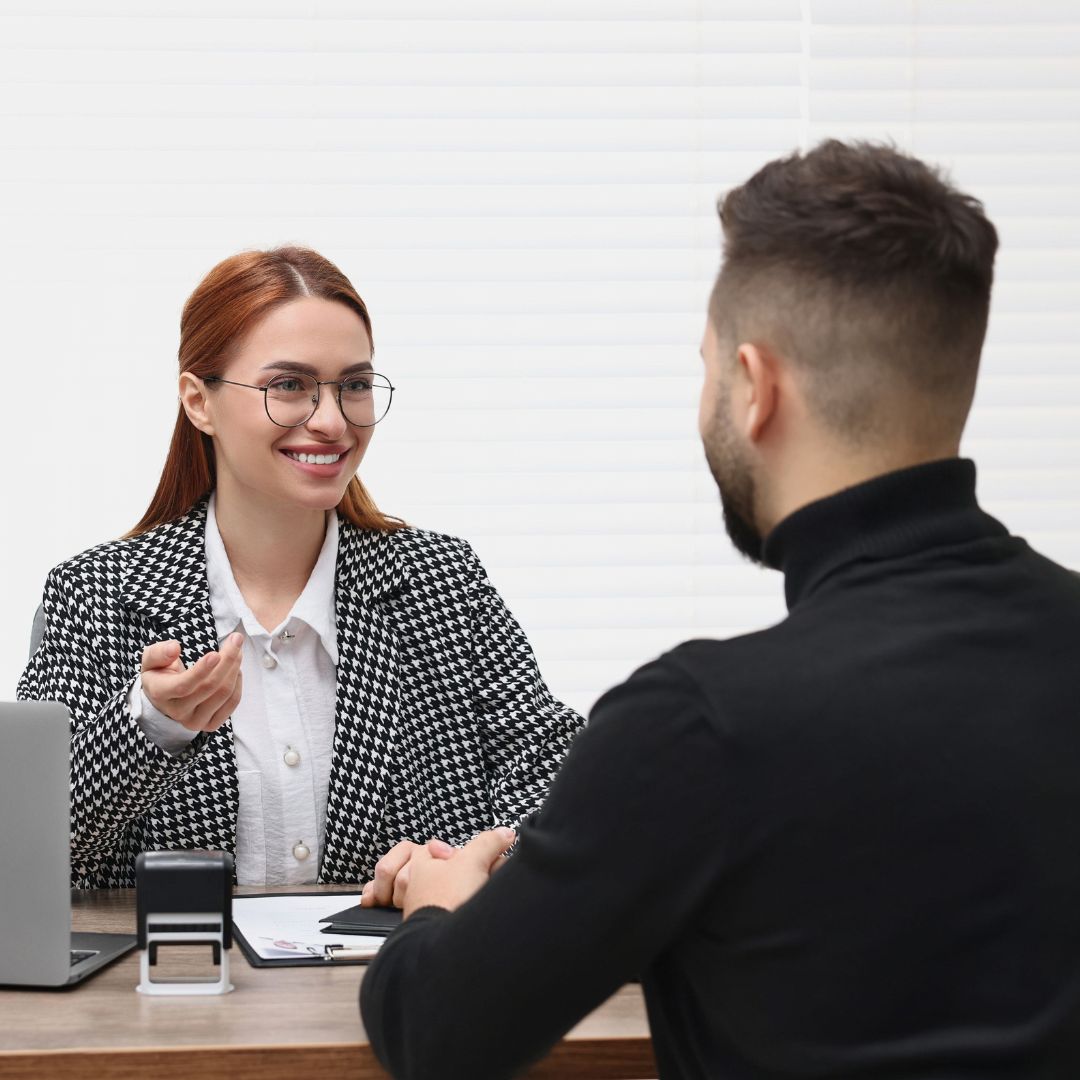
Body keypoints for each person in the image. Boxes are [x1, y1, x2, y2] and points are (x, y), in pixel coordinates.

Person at [359, 141, 1080, 1078]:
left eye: (707, 369)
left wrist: (437, 907)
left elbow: (436, 1035)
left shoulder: (701, 726)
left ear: (755, 385)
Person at [18, 246, 583, 890]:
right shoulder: (97, 594)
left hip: (395, 981)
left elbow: (561, 786)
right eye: (289, 385)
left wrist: (473, 865)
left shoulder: (441, 582)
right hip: (173, 988)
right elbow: (35, 853)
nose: (331, 420)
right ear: (199, 402)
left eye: (355, 386)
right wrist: (151, 724)